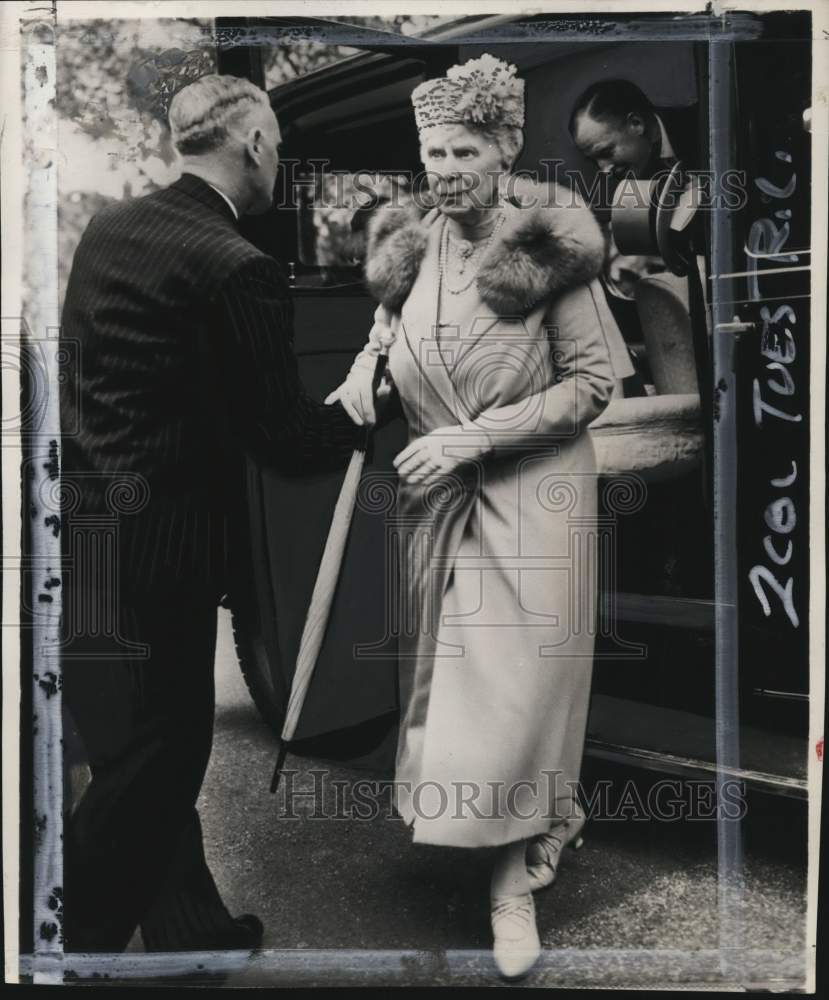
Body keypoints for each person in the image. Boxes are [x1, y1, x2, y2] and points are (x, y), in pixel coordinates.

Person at [328, 54, 616, 979]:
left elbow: (593, 385)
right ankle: (507, 838)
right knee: (453, 690)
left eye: (462, 149)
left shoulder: (548, 243)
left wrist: (474, 438)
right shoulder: (415, 240)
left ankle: (510, 887)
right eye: (431, 150)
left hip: (532, 493)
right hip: (436, 497)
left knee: (508, 697)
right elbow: (393, 324)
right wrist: (363, 364)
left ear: (503, 149)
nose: (444, 167)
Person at [59, 74, 360, 952]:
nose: (281, 160)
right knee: (161, 758)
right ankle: (63, 946)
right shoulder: (240, 265)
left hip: (87, 524)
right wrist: (358, 409)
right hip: (167, 549)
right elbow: (285, 435)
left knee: (129, 752)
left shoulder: (112, 227)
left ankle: (192, 937)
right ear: (255, 145)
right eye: (278, 144)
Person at [568, 79, 697, 392]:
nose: (603, 170)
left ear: (636, 124)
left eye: (607, 152)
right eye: (593, 160)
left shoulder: (708, 126)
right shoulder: (626, 175)